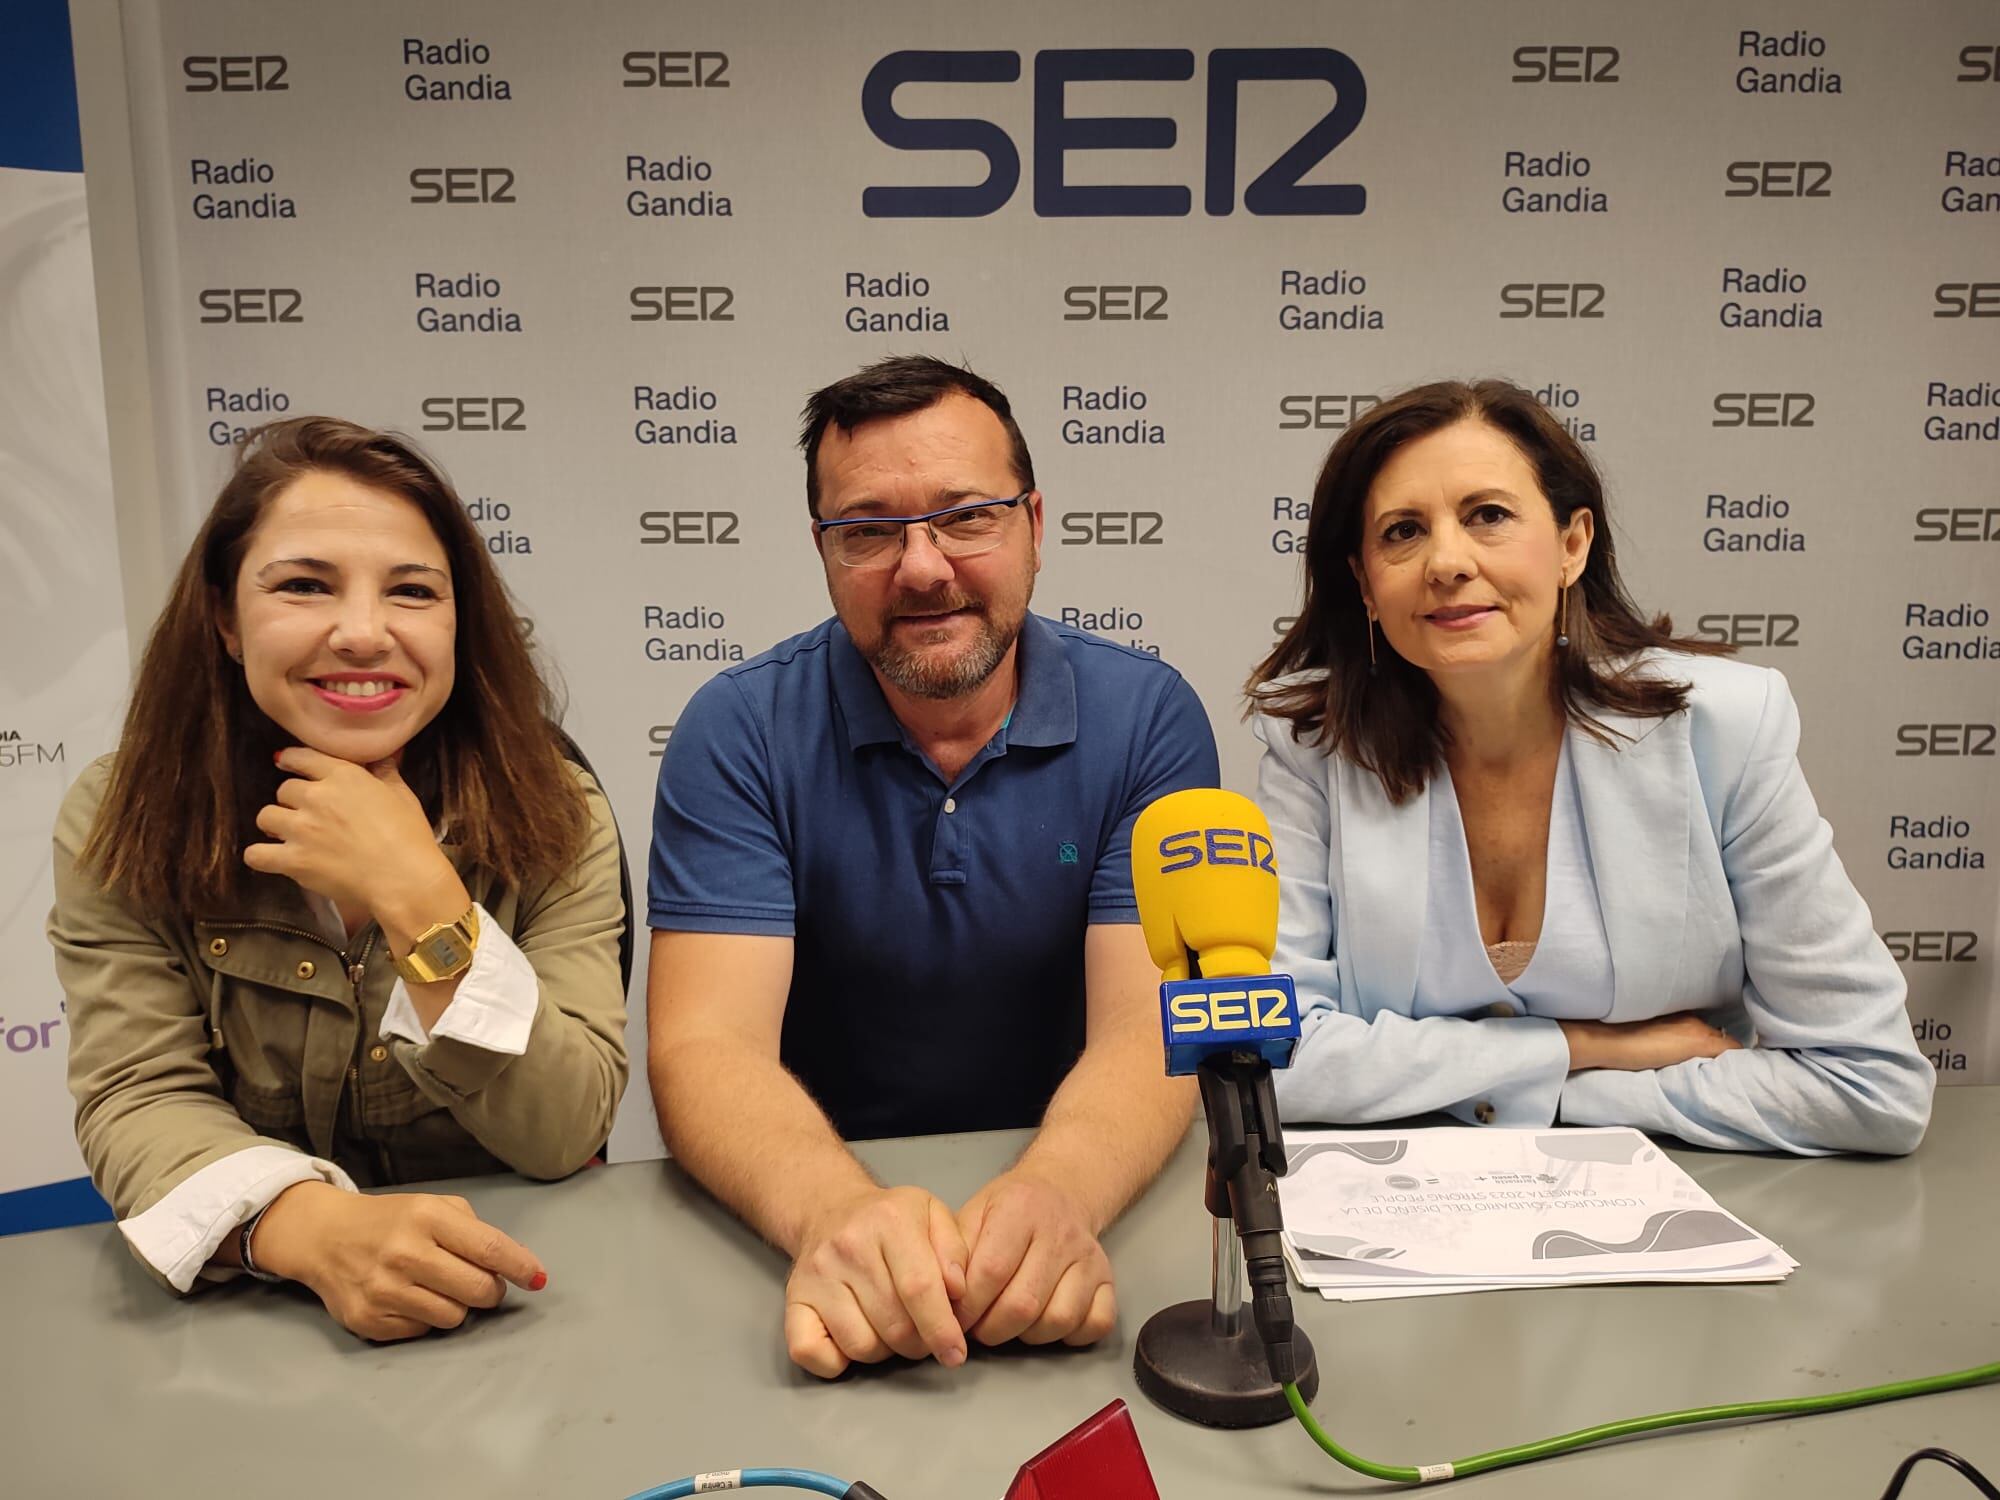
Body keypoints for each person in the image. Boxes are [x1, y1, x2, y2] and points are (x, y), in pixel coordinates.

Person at [647, 355, 1218, 1378]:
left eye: (965, 517)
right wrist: (834, 1214)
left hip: (1077, 1197)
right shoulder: (737, 730)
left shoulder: (1147, 718)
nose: (921, 567)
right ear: (823, 551)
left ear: (1033, 526)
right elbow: (704, 1044)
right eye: (868, 530)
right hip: (816, 1209)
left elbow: (1148, 1026)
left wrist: (1058, 1194)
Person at [49, 417, 629, 1340]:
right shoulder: (122, 811)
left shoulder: (558, 810)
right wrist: (313, 1231)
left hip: (518, 1301)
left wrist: (420, 897)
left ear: (458, 622)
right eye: (305, 585)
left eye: (412, 591)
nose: (363, 634)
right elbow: (139, 1097)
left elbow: (565, 1130)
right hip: (259, 1312)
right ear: (226, 619)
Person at [1246, 379, 1933, 1156]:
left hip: (1687, 1196)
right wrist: (1585, 1046)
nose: (1447, 561)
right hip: (1399, 1205)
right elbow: (1266, 1061)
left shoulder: (1723, 728)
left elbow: (1869, 1086)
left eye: (1488, 515)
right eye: (1403, 531)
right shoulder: (1313, 748)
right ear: (1366, 583)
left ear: (1573, 545)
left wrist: (1556, 1094)